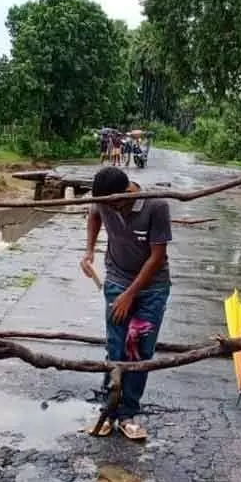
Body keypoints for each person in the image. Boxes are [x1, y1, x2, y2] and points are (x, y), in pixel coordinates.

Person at [80, 167, 172, 440]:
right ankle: (108, 409)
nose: (114, 210)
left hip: (152, 289)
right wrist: (89, 250)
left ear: (127, 191)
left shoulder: (156, 206)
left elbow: (156, 257)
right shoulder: (105, 201)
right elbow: (95, 215)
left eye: (117, 204)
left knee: (140, 351)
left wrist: (130, 294)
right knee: (116, 346)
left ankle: (128, 413)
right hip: (116, 279)